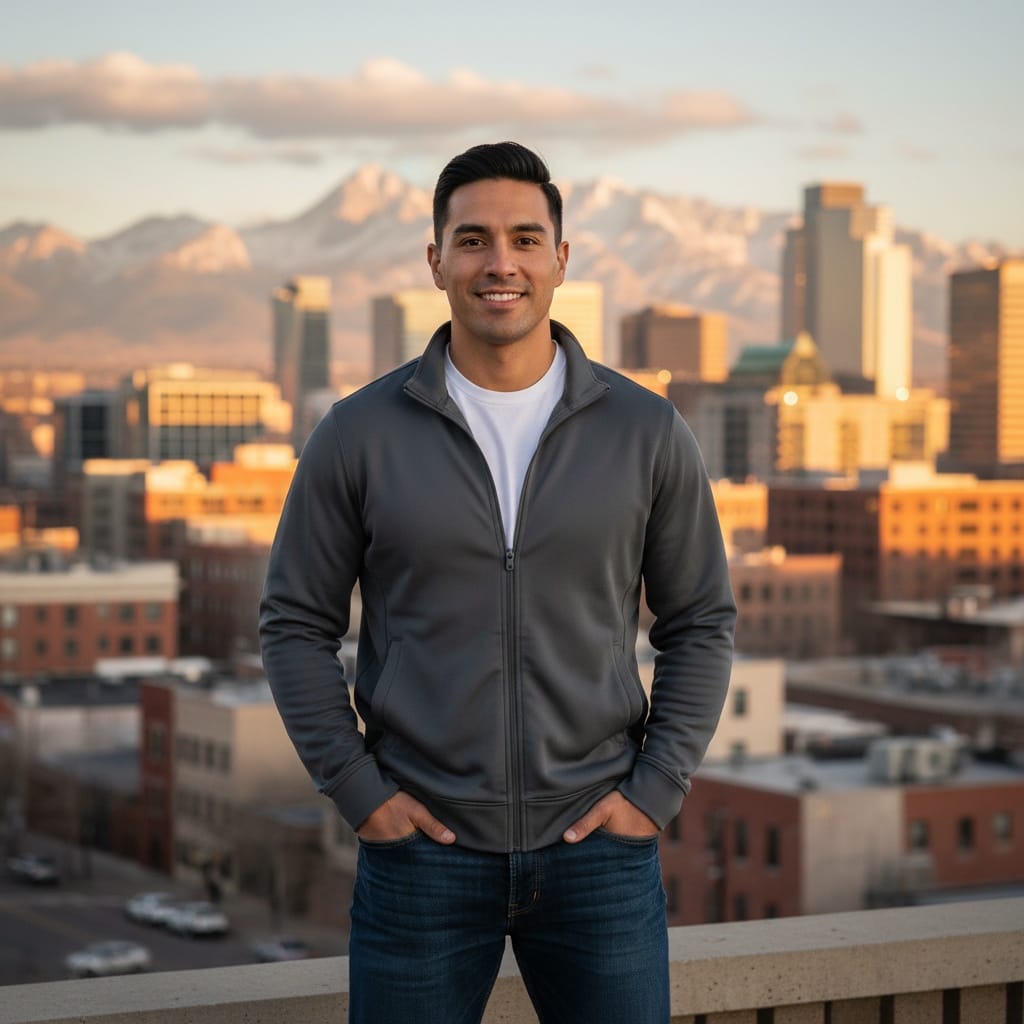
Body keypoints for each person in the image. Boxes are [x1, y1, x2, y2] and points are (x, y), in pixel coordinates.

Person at [259, 141, 736, 1024]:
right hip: (420, 856)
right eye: (472, 239)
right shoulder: (358, 434)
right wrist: (360, 795)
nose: (500, 262)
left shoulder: (646, 430)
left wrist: (655, 791)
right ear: (435, 260)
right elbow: (292, 625)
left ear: (562, 258)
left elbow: (701, 620)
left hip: (599, 847)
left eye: (525, 238)